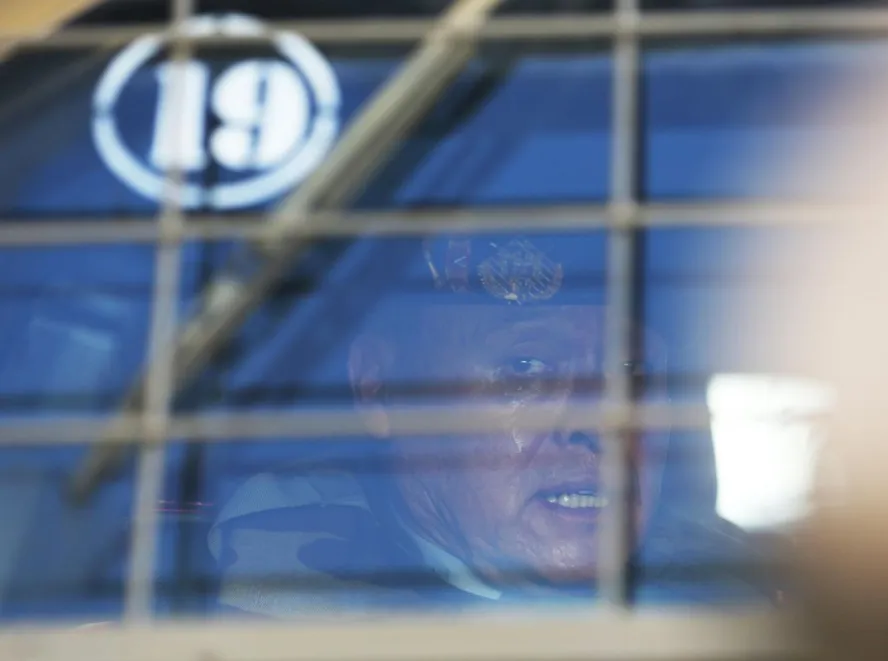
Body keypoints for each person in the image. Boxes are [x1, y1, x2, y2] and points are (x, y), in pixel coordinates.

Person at [205, 230, 772, 617]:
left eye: (632, 372)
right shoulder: (296, 556)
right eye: (524, 369)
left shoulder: (731, 580)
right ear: (378, 389)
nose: (598, 422)